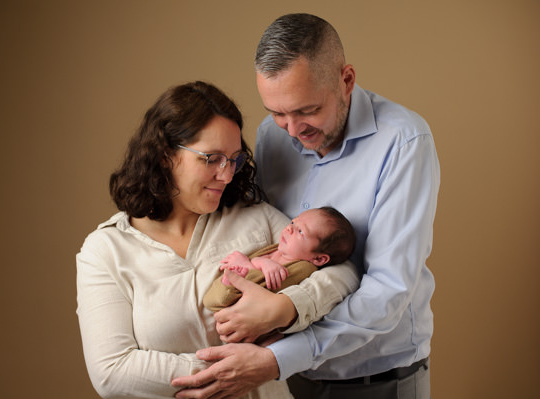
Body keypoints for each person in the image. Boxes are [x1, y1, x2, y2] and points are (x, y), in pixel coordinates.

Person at [172, 13, 440, 399]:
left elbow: (388, 290)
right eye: (278, 113)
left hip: (376, 382)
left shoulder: (404, 142)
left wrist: (280, 357)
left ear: (346, 80)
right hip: (287, 382)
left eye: (307, 111)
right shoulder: (271, 137)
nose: (293, 131)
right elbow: (261, 235)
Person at [76, 80, 360, 399]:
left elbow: (344, 272)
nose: (227, 175)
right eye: (211, 159)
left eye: (234, 160)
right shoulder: (105, 252)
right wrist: (240, 369)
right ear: (165, 155)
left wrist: (287, 307)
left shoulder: (259, 218)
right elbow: (113, 372)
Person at [203, 206, 356, 312]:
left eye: (300, 231)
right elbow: (256, 263)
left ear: (319, 259)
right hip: (223, 300)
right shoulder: (279, 250)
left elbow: (265, 290)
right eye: (293, 222)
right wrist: (257, 262)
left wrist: (247, 267)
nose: (289, 228)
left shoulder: (304, 268)